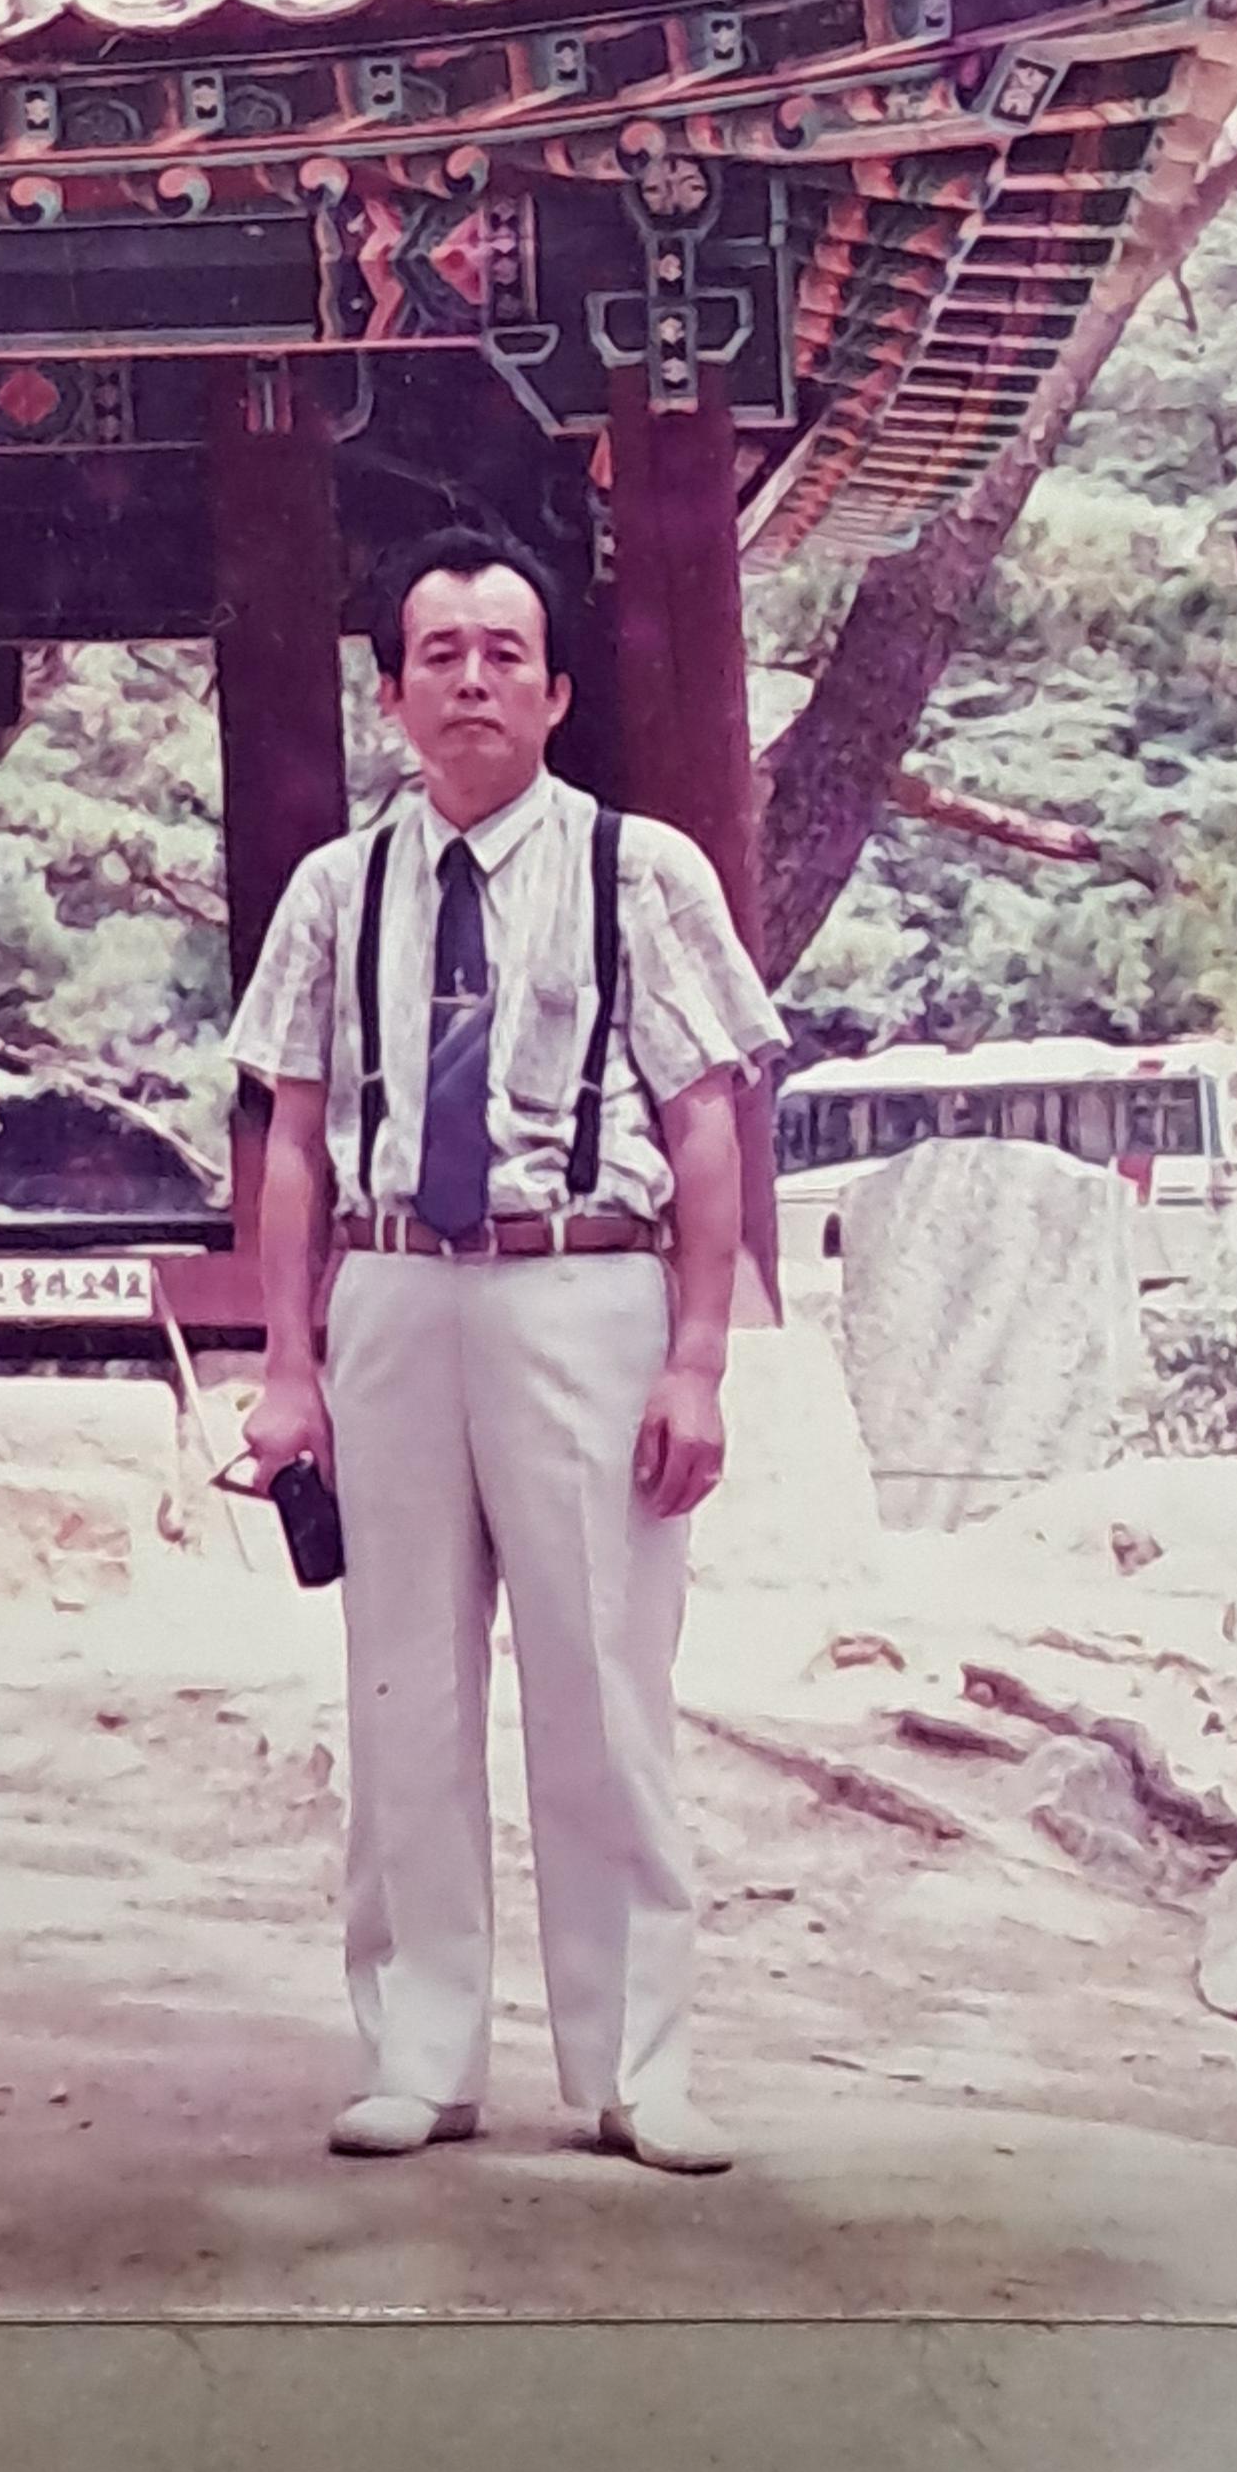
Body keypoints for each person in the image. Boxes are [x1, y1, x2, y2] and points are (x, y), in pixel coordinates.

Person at [229, 520, 786, 2171]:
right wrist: (287, 1364)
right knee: (401, 1686)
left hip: (582, 1289)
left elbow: (705, 1121)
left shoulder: (642, 871)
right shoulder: (337, 890)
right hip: (394, 1291)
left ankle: (633, 2071)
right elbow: (293, 1138)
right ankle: (419, 2053)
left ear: (554, 693)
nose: (471, 681)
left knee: (604, 1684)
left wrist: (698, 1359)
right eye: (439, 656)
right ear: (392, 696)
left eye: (504, 655)